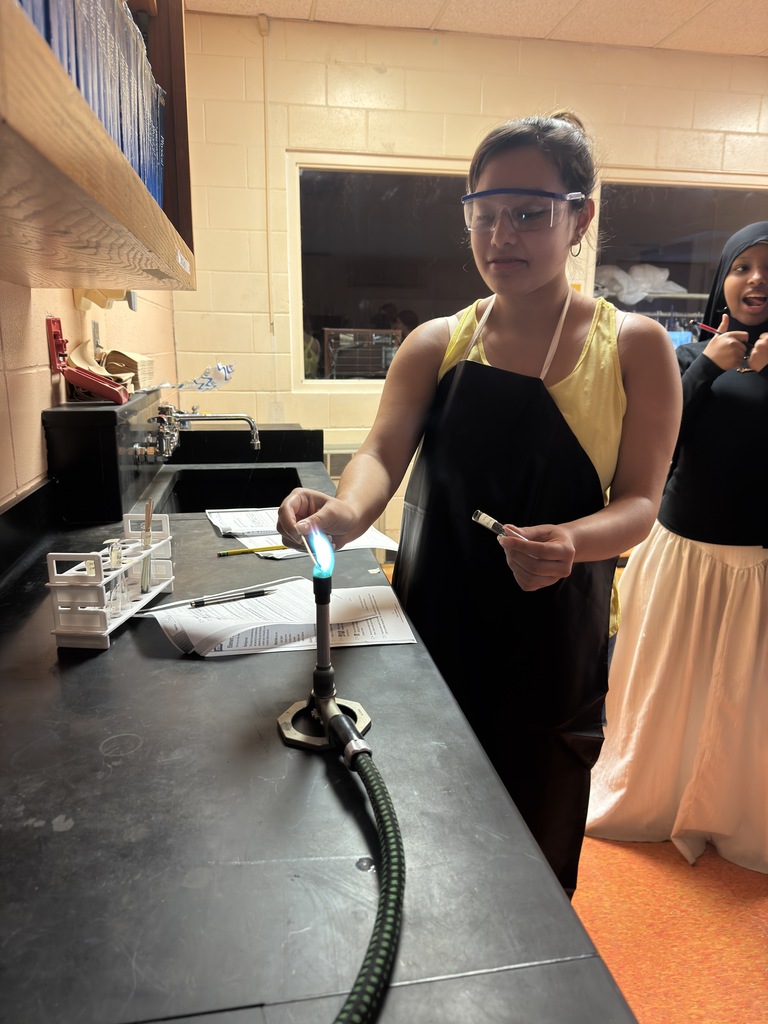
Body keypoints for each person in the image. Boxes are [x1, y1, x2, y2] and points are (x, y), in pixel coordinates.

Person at [277, 112, 682, 896]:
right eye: (484, 214)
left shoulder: (633, 346)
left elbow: (639, 502)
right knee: (418, 837)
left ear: (579, 217)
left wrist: (570, 541)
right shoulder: (437, 341)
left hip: (554, 645)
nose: (502, 234)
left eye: (528, 212)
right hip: (433, 626)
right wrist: (338, 515)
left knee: (530, 853)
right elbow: (378, 458)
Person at [587, 222, 768, 874]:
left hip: (757, 569)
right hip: (681, 555)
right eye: (743, 265)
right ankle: (656, 794)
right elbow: (649, 444)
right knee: (666, 684)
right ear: (723, 276)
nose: (756, 280)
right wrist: (711, 371)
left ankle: (729, 807)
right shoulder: (686, 358)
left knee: (745, 697)